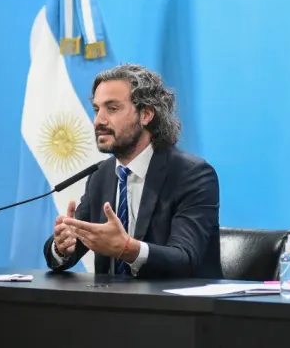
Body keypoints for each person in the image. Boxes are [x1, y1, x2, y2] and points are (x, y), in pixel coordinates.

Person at [43, 64, 222, 278]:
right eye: (97, 109)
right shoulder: (101, 176)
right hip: (112, 305)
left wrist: (127, 248)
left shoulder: (192, 175)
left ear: (146, 114)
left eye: (112, 108)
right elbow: (69, 250)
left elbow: (185, 258)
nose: (99, 121)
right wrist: (62, 247)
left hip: (176, 307)